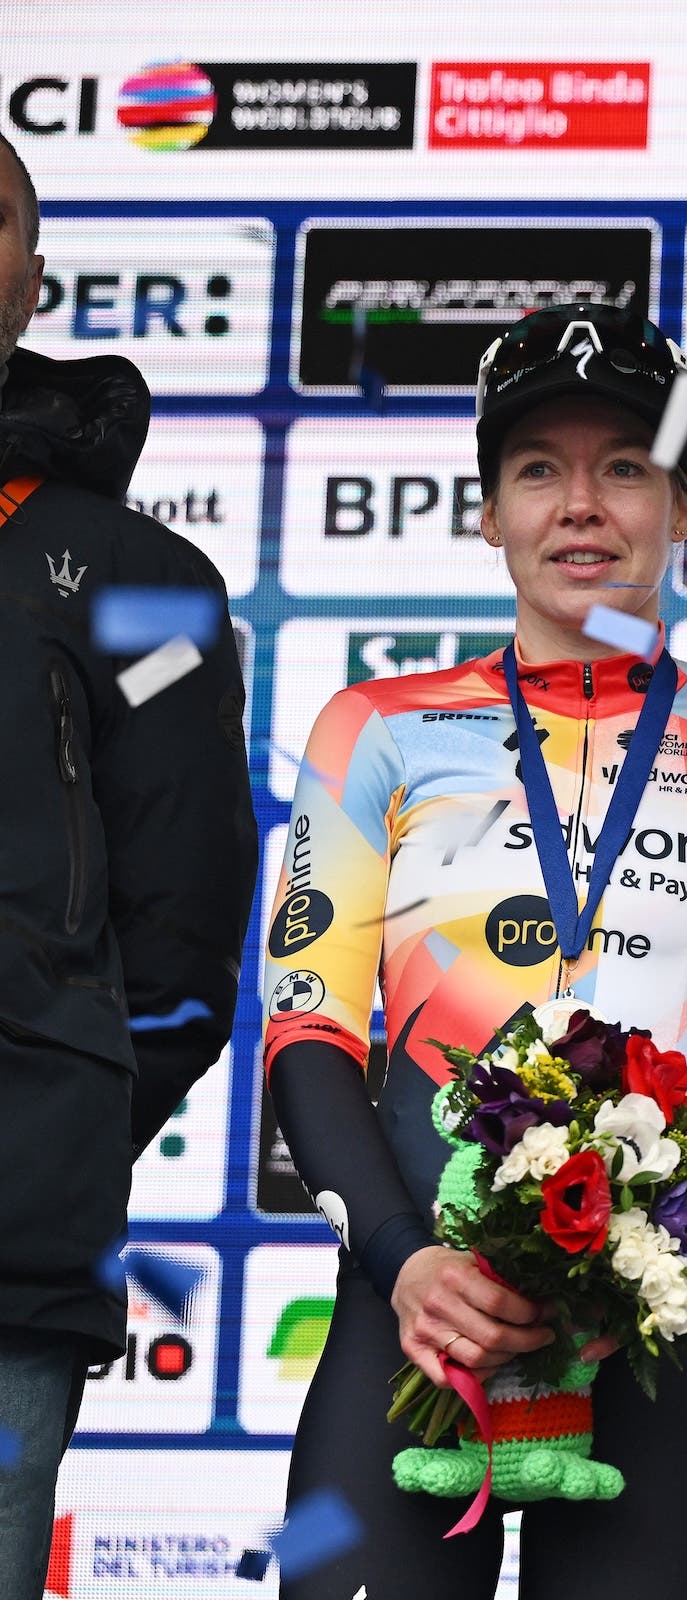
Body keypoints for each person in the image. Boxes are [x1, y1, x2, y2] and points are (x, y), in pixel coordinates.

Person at [258, 302, 687, 1599]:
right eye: (539, 468)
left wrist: (677, 1248)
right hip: (413, 1310)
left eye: (627, 466)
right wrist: (406, 1261)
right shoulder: (375, 728)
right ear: (488, 512)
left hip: (661, 1335)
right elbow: (307, 1035)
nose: (581, 504)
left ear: (686, 506)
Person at [0, 132, 254, 1600]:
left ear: (36, 280)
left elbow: (182, 930)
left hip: (9, 1244)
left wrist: (59, 1111)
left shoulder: (134, 579)